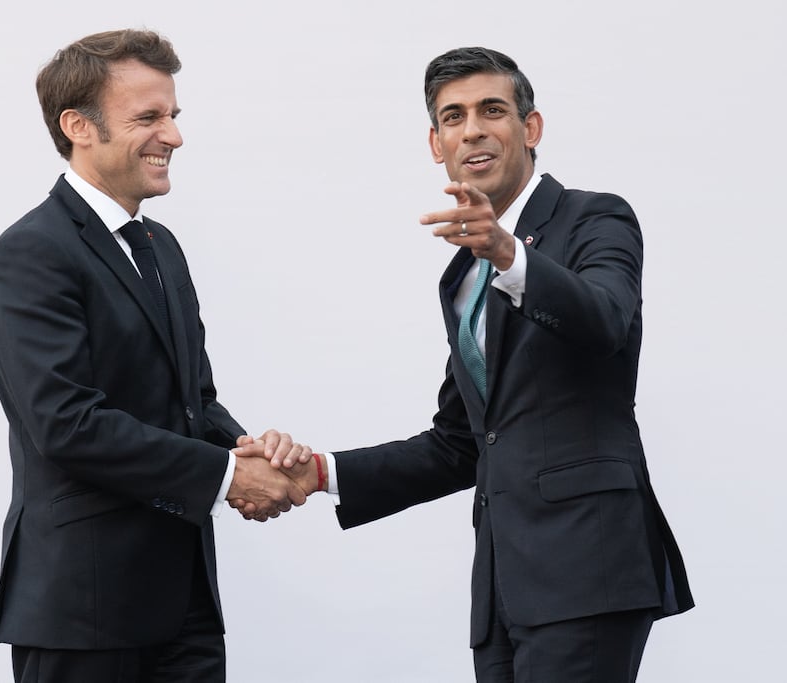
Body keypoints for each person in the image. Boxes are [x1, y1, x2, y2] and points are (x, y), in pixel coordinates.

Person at [237, 46, 694, 682]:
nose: (472, 129)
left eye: (492, 111)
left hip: (588, 568)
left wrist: (509, 255)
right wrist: (318, 472)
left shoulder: (595, 217)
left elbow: (605, 320)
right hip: (504, 588)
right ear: (437, 144)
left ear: (531, 128)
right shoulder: (461, 276)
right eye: (453, 117)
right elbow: (459, 444)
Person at [0, 29, 309, 683]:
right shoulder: (32, 252)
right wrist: (227, 476)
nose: (174, 136)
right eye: (149, 117)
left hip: (184, 603)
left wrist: (251, 452)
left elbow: (192, 403)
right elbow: (67, 424)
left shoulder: (161, 246)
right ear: (78, 126)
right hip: (83, 611)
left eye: (173, 115)